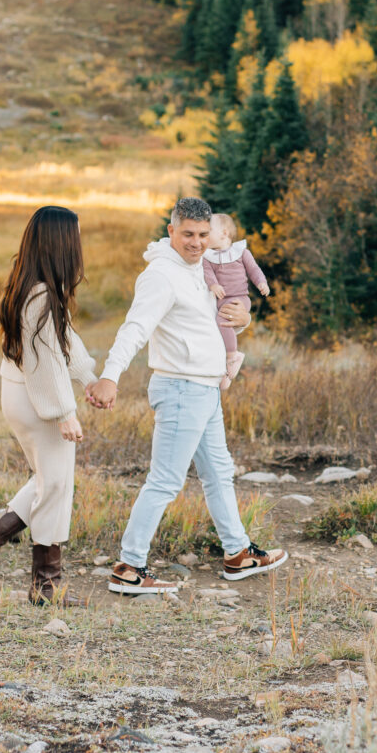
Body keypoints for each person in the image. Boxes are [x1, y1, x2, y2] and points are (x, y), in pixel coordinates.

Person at [87, 197, 288, 594]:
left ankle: (238, 553)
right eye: (188, 235)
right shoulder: (162, 275)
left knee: (218, 472)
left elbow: (209, 325)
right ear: (171, 232)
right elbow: (135, 328)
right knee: (164, 480)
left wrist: (243, 320)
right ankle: (129, 566)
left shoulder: (200, 269)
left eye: (202, 235)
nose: (196, 242)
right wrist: (110, 376)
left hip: (205, 388)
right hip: (181, 388)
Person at [0, 205, 97, 607]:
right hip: (37, 401)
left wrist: (90, 378)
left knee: (47, 480)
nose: (79, 246)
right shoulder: (40, 295)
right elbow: (44, 362)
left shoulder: (34, 286)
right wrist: (64, 412)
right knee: (55, 485)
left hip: (20, 396)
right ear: (61, 244)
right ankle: (45, 586)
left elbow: (65, 343)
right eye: (75, 238)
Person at [203, 212, 271, 390]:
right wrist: (213, 285)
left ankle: (232, 356)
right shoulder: (208, 257)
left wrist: (262, 283)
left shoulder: (241, 252)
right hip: (222, 299)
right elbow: (208, 274)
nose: (204, 235)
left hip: (240, 298)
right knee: (221, 326)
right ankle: (225, 372)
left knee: (222, 321)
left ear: (224, 233)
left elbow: (254, 270)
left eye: (208, 231)